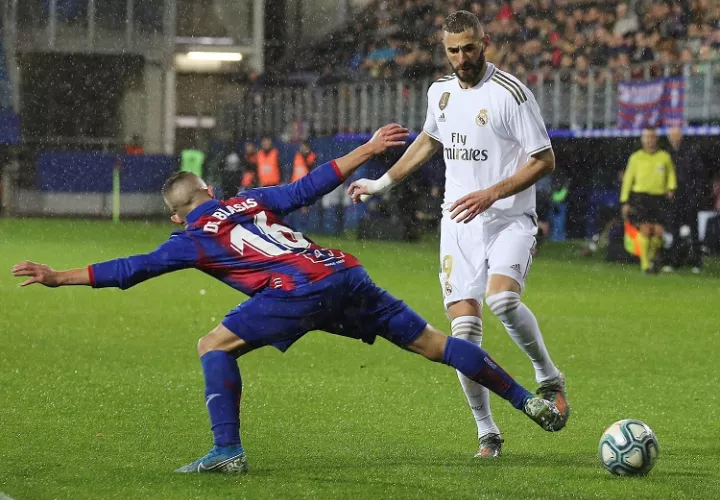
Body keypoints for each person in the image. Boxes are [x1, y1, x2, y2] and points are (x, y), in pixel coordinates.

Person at [12, 124, 565, 474]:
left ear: (177, 214)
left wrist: (58, 277)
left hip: (295, 291)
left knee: (213, 344)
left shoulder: (192, 237)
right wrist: (367, 150)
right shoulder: (250, 201)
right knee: (434, 343)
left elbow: (131, 269)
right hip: (340, 271)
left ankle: (227, 451)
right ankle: (529, 401)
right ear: (210, 192)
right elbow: (309, 187)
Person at [348, 11, 569, 459]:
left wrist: (492, 193)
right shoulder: (441, 92)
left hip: (509, 218)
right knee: (464, 334)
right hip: (459, 225)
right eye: (453, 50)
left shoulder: (512, 94)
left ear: (484, 42)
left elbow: (544, 160)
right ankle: (487, 431)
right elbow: (429, 140)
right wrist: (381, 183)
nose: (462, 57)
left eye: (469, 48)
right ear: (444, 49)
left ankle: (548, 376)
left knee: (502, 300)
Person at [620, 127, 677, 274]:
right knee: (645, 229)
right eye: (646, 137)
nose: (649, 140)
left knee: (658, 231)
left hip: (659, 197)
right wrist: (625, 201)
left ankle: (652, 258)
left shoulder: (664, 156)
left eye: (651, 137)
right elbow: (628, 180)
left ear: (656, 138)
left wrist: (671, 187)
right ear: (642, 139)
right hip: (641, 197)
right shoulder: (635, 157)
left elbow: (671, 174)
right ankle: (645, 264)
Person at [663, 126, 704, 273]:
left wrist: (696, 196)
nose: (674, 138)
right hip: (675, 198)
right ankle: (675, 261)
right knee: (674, 231)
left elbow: (699, 176)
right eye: (671, 135)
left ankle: (697, 262)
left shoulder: (691, 152)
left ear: (681, 136)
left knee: (694, 231)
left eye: (676, 135)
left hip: (690, 197)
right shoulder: (667, 154)